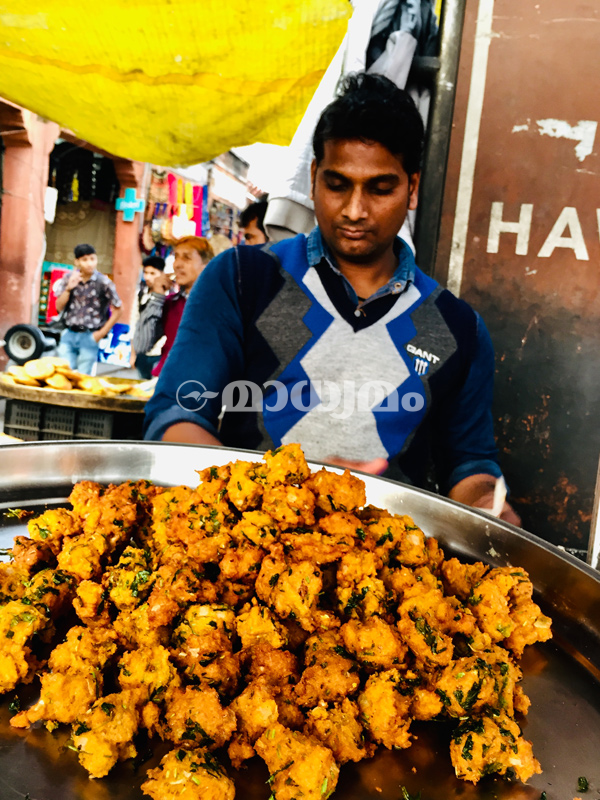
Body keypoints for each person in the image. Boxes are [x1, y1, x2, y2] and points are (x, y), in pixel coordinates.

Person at [144, 73, 518, 524]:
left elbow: (471, 461)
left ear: (412, 188)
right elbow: (176, 415)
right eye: (338, 184)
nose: (355, 210)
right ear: (313, 176)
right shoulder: (243, 279)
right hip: (246, 556)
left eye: (380, 188)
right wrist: (279, 496)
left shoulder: (458, 328)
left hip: (387, 575)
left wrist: (484, 504)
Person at [134, 236, 213, 377]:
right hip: (166, 380)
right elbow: (142, 345)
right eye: (176, 257)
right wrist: (157, 295)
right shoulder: (170, 303)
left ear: (206, 265)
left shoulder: (217, 303)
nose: (177, 265)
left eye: (186, 258)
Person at [54, 243, 122, 375]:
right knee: (64, 374)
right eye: (85, 260)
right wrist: (69, 288)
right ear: (77, 261)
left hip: (90, 336)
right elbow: (58, 307)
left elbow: (119, 309)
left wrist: (101, 334)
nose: (90, 263)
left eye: (92, 259)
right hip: (69, 333)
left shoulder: (103, 282)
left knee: (84, 378)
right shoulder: (69, 278)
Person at [130, 256, 172, 379]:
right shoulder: (140, 294)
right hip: (142, 353)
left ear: (162, 274)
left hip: (160, 353)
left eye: (153, 273)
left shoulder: (170, 297)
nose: (147, 277)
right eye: (146, 273)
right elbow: (134, 324)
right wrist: (133, 354)